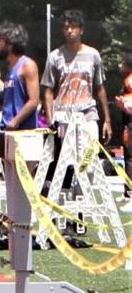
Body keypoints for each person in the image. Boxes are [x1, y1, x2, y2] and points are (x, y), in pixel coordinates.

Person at [41, 10, 111, 181]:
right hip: (63, 114)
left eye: (73, 27)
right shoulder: (55, 57)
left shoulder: (93, 55)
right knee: (67, 159)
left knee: (90, 155)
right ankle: (68, 196)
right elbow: (48, 90)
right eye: (66, 27)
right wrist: (51, 119)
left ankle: (85, 192)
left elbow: (100, 88)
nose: (69, 31)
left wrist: (107, 120)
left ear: (81, 30)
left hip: (88, 113)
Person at [0, 22, 39, 131]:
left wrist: (14, 122)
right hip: (8, 130)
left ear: (10, 42)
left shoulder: (27, 65)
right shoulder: (10, 68)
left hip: (23, 133)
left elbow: (34, 101)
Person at [116, 53, 132, 211]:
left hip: (130, 124)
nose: (119, 66)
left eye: (122, 63)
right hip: (127, 123)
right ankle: (127, 192)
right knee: (127, 156)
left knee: (130, 159)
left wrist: (124, 105)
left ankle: (130, 194)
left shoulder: (130, 81)